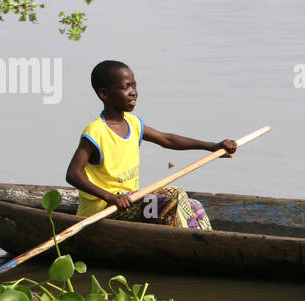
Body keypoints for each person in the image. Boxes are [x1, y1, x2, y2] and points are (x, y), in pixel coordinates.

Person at [65, 60, 238, 229]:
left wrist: (212, 146)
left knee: (193, 205)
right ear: (104, 94)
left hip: (131, 201)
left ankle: (204, 240)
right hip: (104, 209)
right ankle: (189, 242)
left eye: (134, 86)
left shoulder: (134, 124)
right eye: (126, 87)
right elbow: (73, 174)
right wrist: (110, 197)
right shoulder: (95, 132)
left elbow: (167, 139)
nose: (133, 92)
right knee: (174, 195)